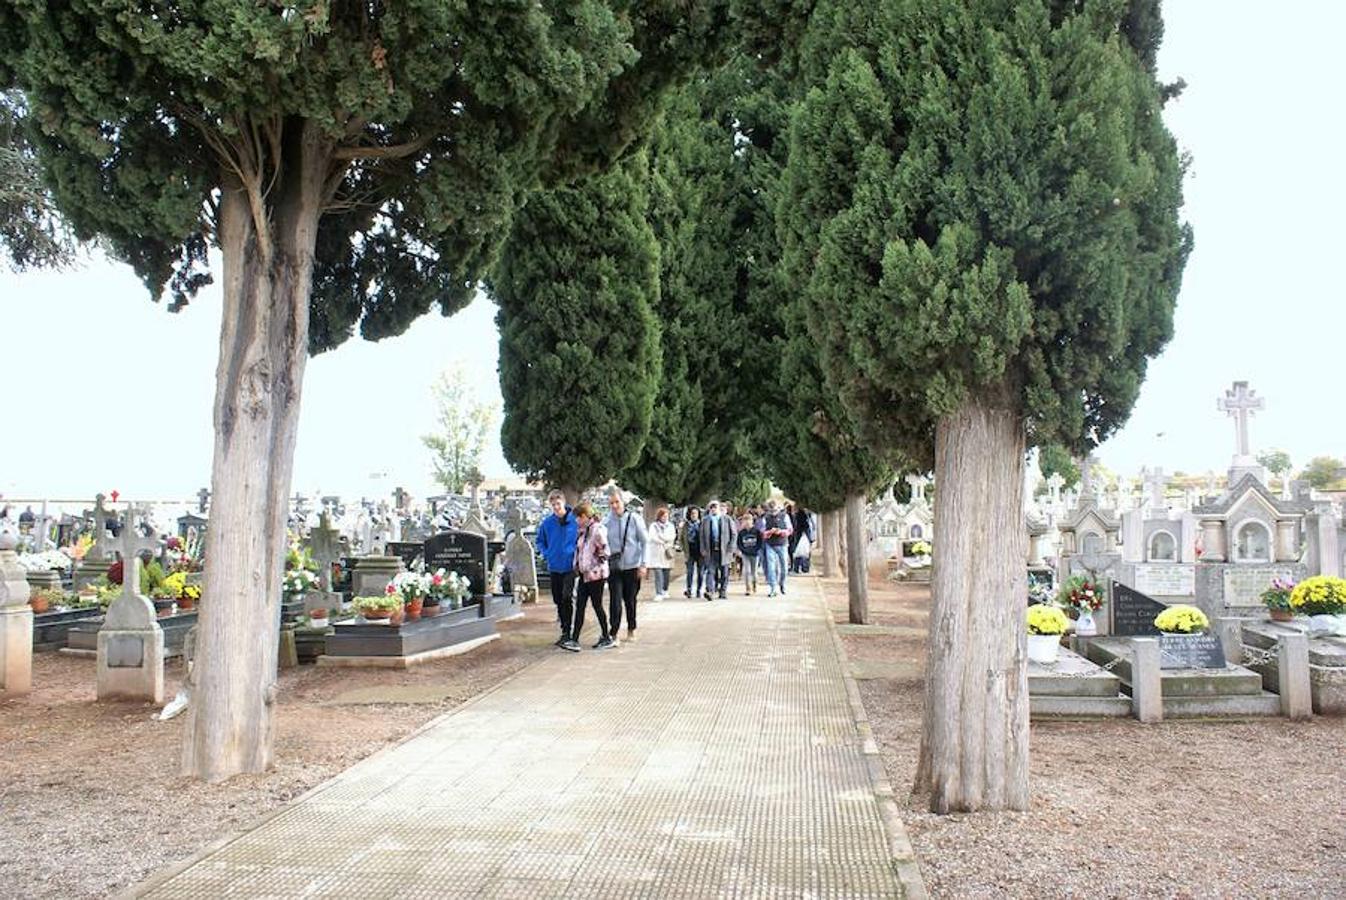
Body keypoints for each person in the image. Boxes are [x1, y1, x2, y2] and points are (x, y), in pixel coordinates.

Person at [535, 490, 580, 650]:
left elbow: (581, 538)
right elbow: (539, 541)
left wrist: (576, 553)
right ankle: (564, 629)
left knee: (567, 597)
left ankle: (569, 630)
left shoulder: (574, 521)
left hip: (570, 566)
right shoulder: (547, 523)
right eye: (553, 505)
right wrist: (547, 553)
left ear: (563, 503)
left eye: (558, 504)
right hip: (554, 566)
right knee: (558, 599)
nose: (556, 507)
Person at [605, 488, 647, 644]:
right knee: (615, 600)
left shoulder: (634, 519)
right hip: (614, 567)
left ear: (623, 502)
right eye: (611, 503)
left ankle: (631, 628)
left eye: (617, 502)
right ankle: (613, 632)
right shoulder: (607, 521)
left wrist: (643, 564)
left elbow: (644, 541)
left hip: (632, 566)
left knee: (630, 600)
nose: (614, 506)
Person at [572, 502, 613, 650]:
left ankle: (606, 636)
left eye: (578, 518)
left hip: (596, 576)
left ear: (584, 516)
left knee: (597, 605)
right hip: (585, 575)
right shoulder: (583, 531)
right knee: (580, 606)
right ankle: (574, 638)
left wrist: (594, 564)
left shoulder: (596, 530)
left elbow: (605, 551)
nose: (576, 521)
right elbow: (581, 551)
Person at [699, 499, 735, 600]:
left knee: (724, 572)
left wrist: (731, 547)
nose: (713, 509)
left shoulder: (727, 519)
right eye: (712, 508)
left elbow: (734, 534)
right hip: (710, 550)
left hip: (724, 550)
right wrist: (703, 549)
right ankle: (710, 591)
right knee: (710, 571)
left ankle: (722, 591)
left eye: (715, 507)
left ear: (719, 509)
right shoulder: (705, 520)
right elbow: (701, 536)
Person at [761, 498, 793, 597]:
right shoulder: (765, 518)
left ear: (778, 508)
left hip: (782, 544)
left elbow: (790, 530)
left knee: (784, 567)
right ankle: (773, 588)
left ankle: (782, 583)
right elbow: (763, 532)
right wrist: (769, 532)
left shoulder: (785, 516)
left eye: (775, 510)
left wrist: (781, 532)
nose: (773, 513)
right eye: (771, 511)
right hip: (770, 544)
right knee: (771, 567)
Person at [646, 506, 677, 601]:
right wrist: (662, 539)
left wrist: (662, 538)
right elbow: (652, 537)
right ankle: (658, 592)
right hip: (656, 552)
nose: (665, 518)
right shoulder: (653, 526)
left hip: (667, 551)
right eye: (663, 516)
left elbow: (672, 536)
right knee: (658, 573)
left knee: (666, 573)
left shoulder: (670, 526)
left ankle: (665, 590)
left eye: (666, 516)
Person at [736, 513, 763, 595]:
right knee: (747, 571)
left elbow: (760, 543)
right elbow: (739, 543)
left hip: (755, 554)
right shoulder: (741, 533)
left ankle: (754, 585)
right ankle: (748, 588)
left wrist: (756, 550)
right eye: (745, 520)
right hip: (745, 554)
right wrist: (742, 550)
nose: (747, 522)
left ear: (752, 521)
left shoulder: (756, 531)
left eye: (749, 520)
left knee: (754, 572)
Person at [680, 506, 704, 598]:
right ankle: (689, 589)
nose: (694, 515)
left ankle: (699, 590)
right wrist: (683, 549)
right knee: (689, 572)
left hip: (700, 551)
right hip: (689, 551)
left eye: (696, 513)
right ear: (689, 514)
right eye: (692, 513)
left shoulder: (702, 524)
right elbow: (681, 538)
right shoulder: (685, 525)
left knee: (700, 573)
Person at [791, 504, 817, 573]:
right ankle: (805, 567)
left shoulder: (800, 514)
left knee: (799, 551)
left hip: (801, 533)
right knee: (804, 551)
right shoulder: (805, 514)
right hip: (803, 533)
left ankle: (798, 567)